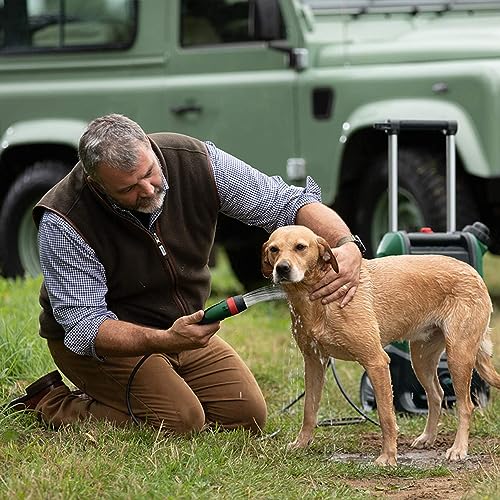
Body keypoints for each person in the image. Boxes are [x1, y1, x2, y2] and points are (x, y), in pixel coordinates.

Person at [8, 114, 363, 434]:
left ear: (149, 146)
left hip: (178, 328)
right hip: (107, 344)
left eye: (149, 174)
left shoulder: (195, 161)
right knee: (181, 421)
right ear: (97, 182)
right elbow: (86, 328)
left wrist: (346, 244)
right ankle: (52, 403)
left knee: (246, 415)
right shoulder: (64, 220)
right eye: (128, 189)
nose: (148, 190)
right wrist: (162, 341)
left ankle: (143, 389)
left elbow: (288, 203)